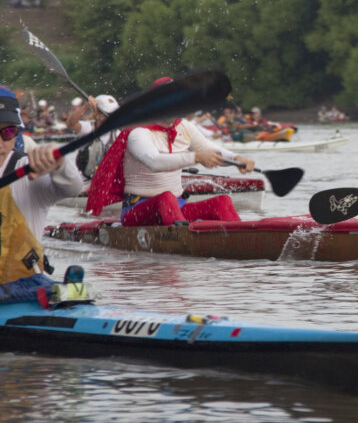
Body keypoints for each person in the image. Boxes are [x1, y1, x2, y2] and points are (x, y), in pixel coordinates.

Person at [86, 77, 256, 226]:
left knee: (222, 202)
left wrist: (236, 158)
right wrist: (195, 157)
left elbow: (210, 150)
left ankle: (244, 238)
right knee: (165, 198)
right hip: (137, 211)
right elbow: (154, 161)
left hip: (177, 206)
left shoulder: (185, 127)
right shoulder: (138, 132)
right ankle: (182, 238)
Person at [1, 85, 83, 282]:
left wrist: (60, 165)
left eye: (8, 132)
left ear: (16, 135)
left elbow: (73, 188)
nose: (0, 141)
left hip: (23, 289)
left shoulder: (28, 170)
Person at [65, 94, 121, 183]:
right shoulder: (87, 129)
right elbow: (70, 123)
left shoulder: (118, 134)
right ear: (97, 114)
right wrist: (87, 106)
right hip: (86, 180)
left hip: (108, 181)